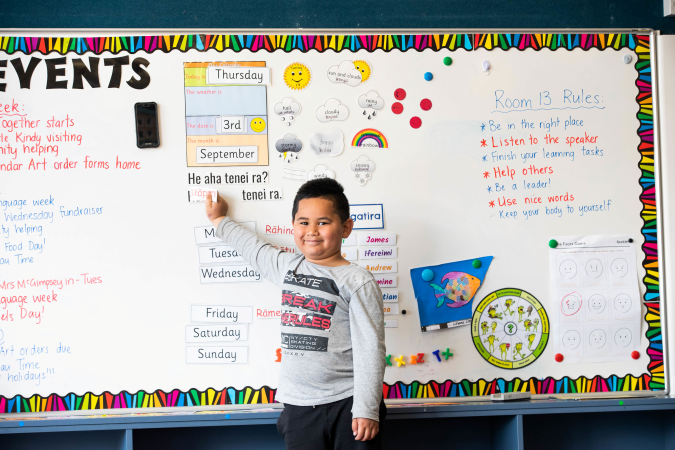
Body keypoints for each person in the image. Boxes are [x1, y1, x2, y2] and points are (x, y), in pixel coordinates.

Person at [205, 178, 386, 449]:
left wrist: (366, 408)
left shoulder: (357, 280)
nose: (312, 231)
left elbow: (370, 348)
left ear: (346, 227)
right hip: (299, 407)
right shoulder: (287, 268)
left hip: (349, 404)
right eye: (303, 222)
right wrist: (219, 218)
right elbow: (252, 248)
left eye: (323, 222)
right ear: (293, 227)